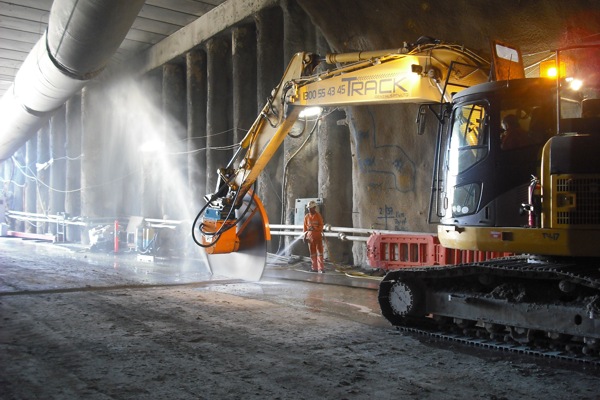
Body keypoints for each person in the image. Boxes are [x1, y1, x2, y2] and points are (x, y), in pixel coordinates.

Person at [303, 200, 325, 273]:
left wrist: (315, 228)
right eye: (308, 208)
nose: (309, 209)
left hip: (317, 237)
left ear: (314, 207)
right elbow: (305, 228)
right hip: (310, 238)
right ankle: (314, 268)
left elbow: (321, 226)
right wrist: (304, 236)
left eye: (311, 208)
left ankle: (321, 268)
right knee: (312, 254)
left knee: (320, 253)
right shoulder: (306, 217)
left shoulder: (318, 216)